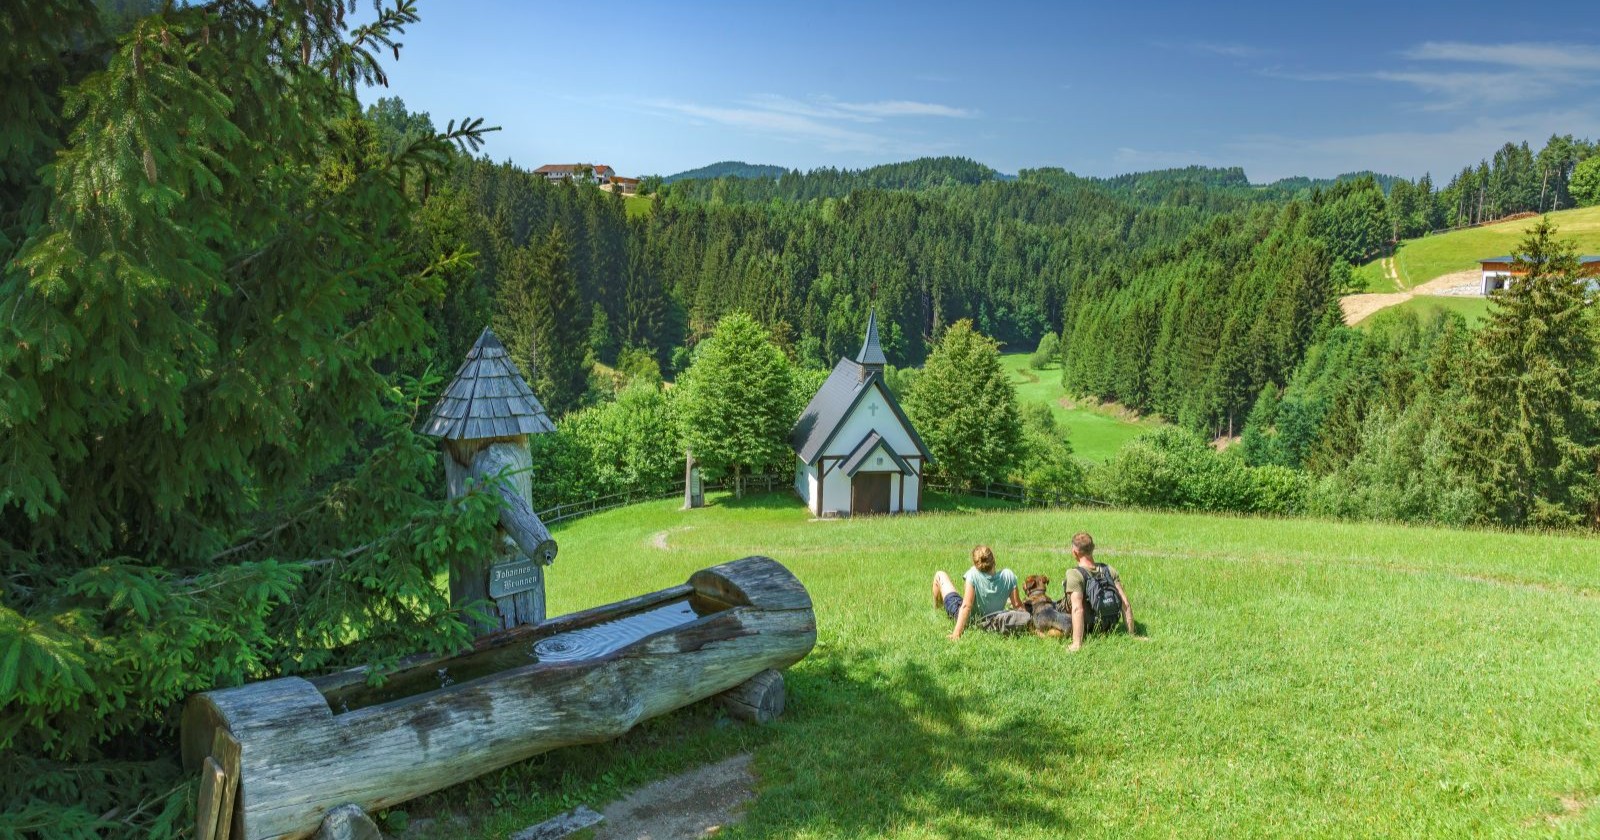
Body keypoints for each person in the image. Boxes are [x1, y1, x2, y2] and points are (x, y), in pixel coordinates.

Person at [932, 545, 1031, 640]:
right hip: (993, 621)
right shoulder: (1008, 576)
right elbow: (1018, 605)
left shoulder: (973, 574)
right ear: (994, 560)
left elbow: (966, 606)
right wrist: (1030, 624)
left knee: (939, 575)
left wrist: (956, 634)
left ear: (976, 564)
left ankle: (937, 609)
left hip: (968, 620)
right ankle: (939, 610)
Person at [1060, 531, 1137, 651]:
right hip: (1108, 626)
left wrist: (1076, 643)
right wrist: (1132, 635)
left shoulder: (1075, 574)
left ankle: (1077, 641)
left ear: (1074, 552)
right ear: (1093, 548)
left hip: (1089, 628)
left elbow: (1077, 609)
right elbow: (1125, 603)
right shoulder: (1109, 570)